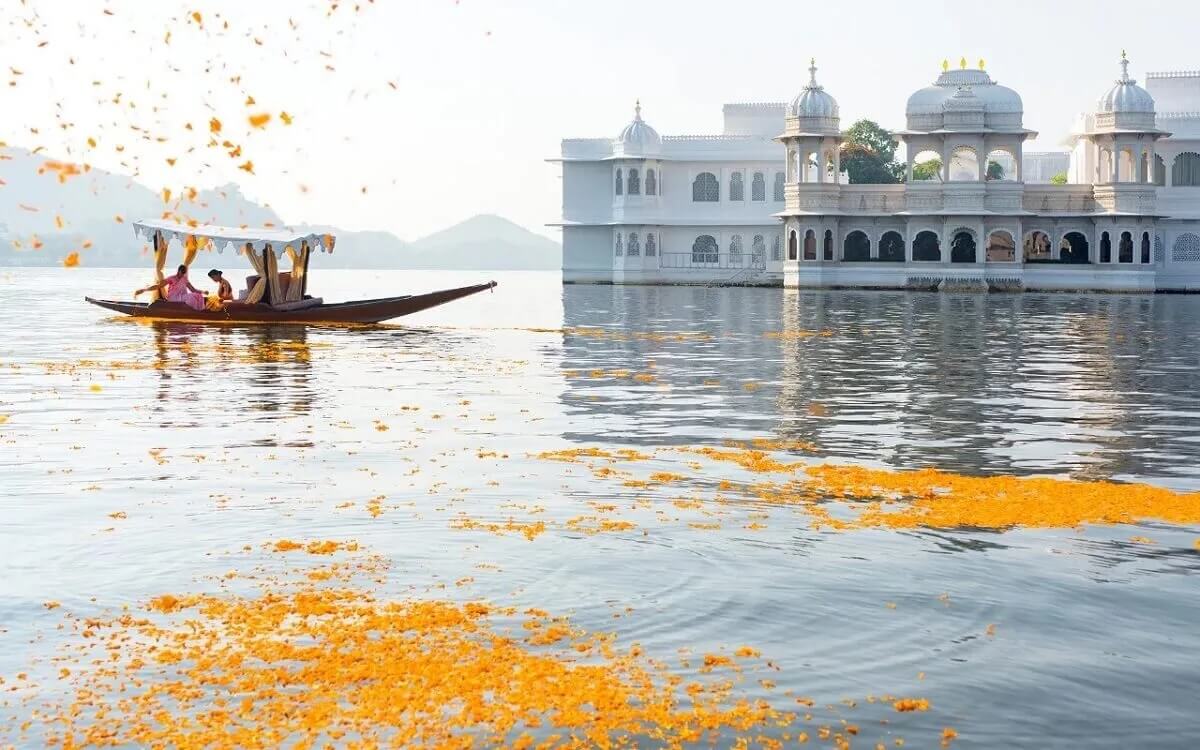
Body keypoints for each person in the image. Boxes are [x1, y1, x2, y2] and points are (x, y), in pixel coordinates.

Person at [135, 264, 206, 311]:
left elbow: (192, 289)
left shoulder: (184, 279)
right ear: (178, 271)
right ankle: (192, 311)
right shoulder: (171, 278)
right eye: (182, 272)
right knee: (191, 297)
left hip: (182, 296)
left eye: (184, 273)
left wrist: (202, 292)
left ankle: (198, 311)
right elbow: (159, 286)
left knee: (198, 295)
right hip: (173, 297)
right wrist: (144, 290)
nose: (183, 275)